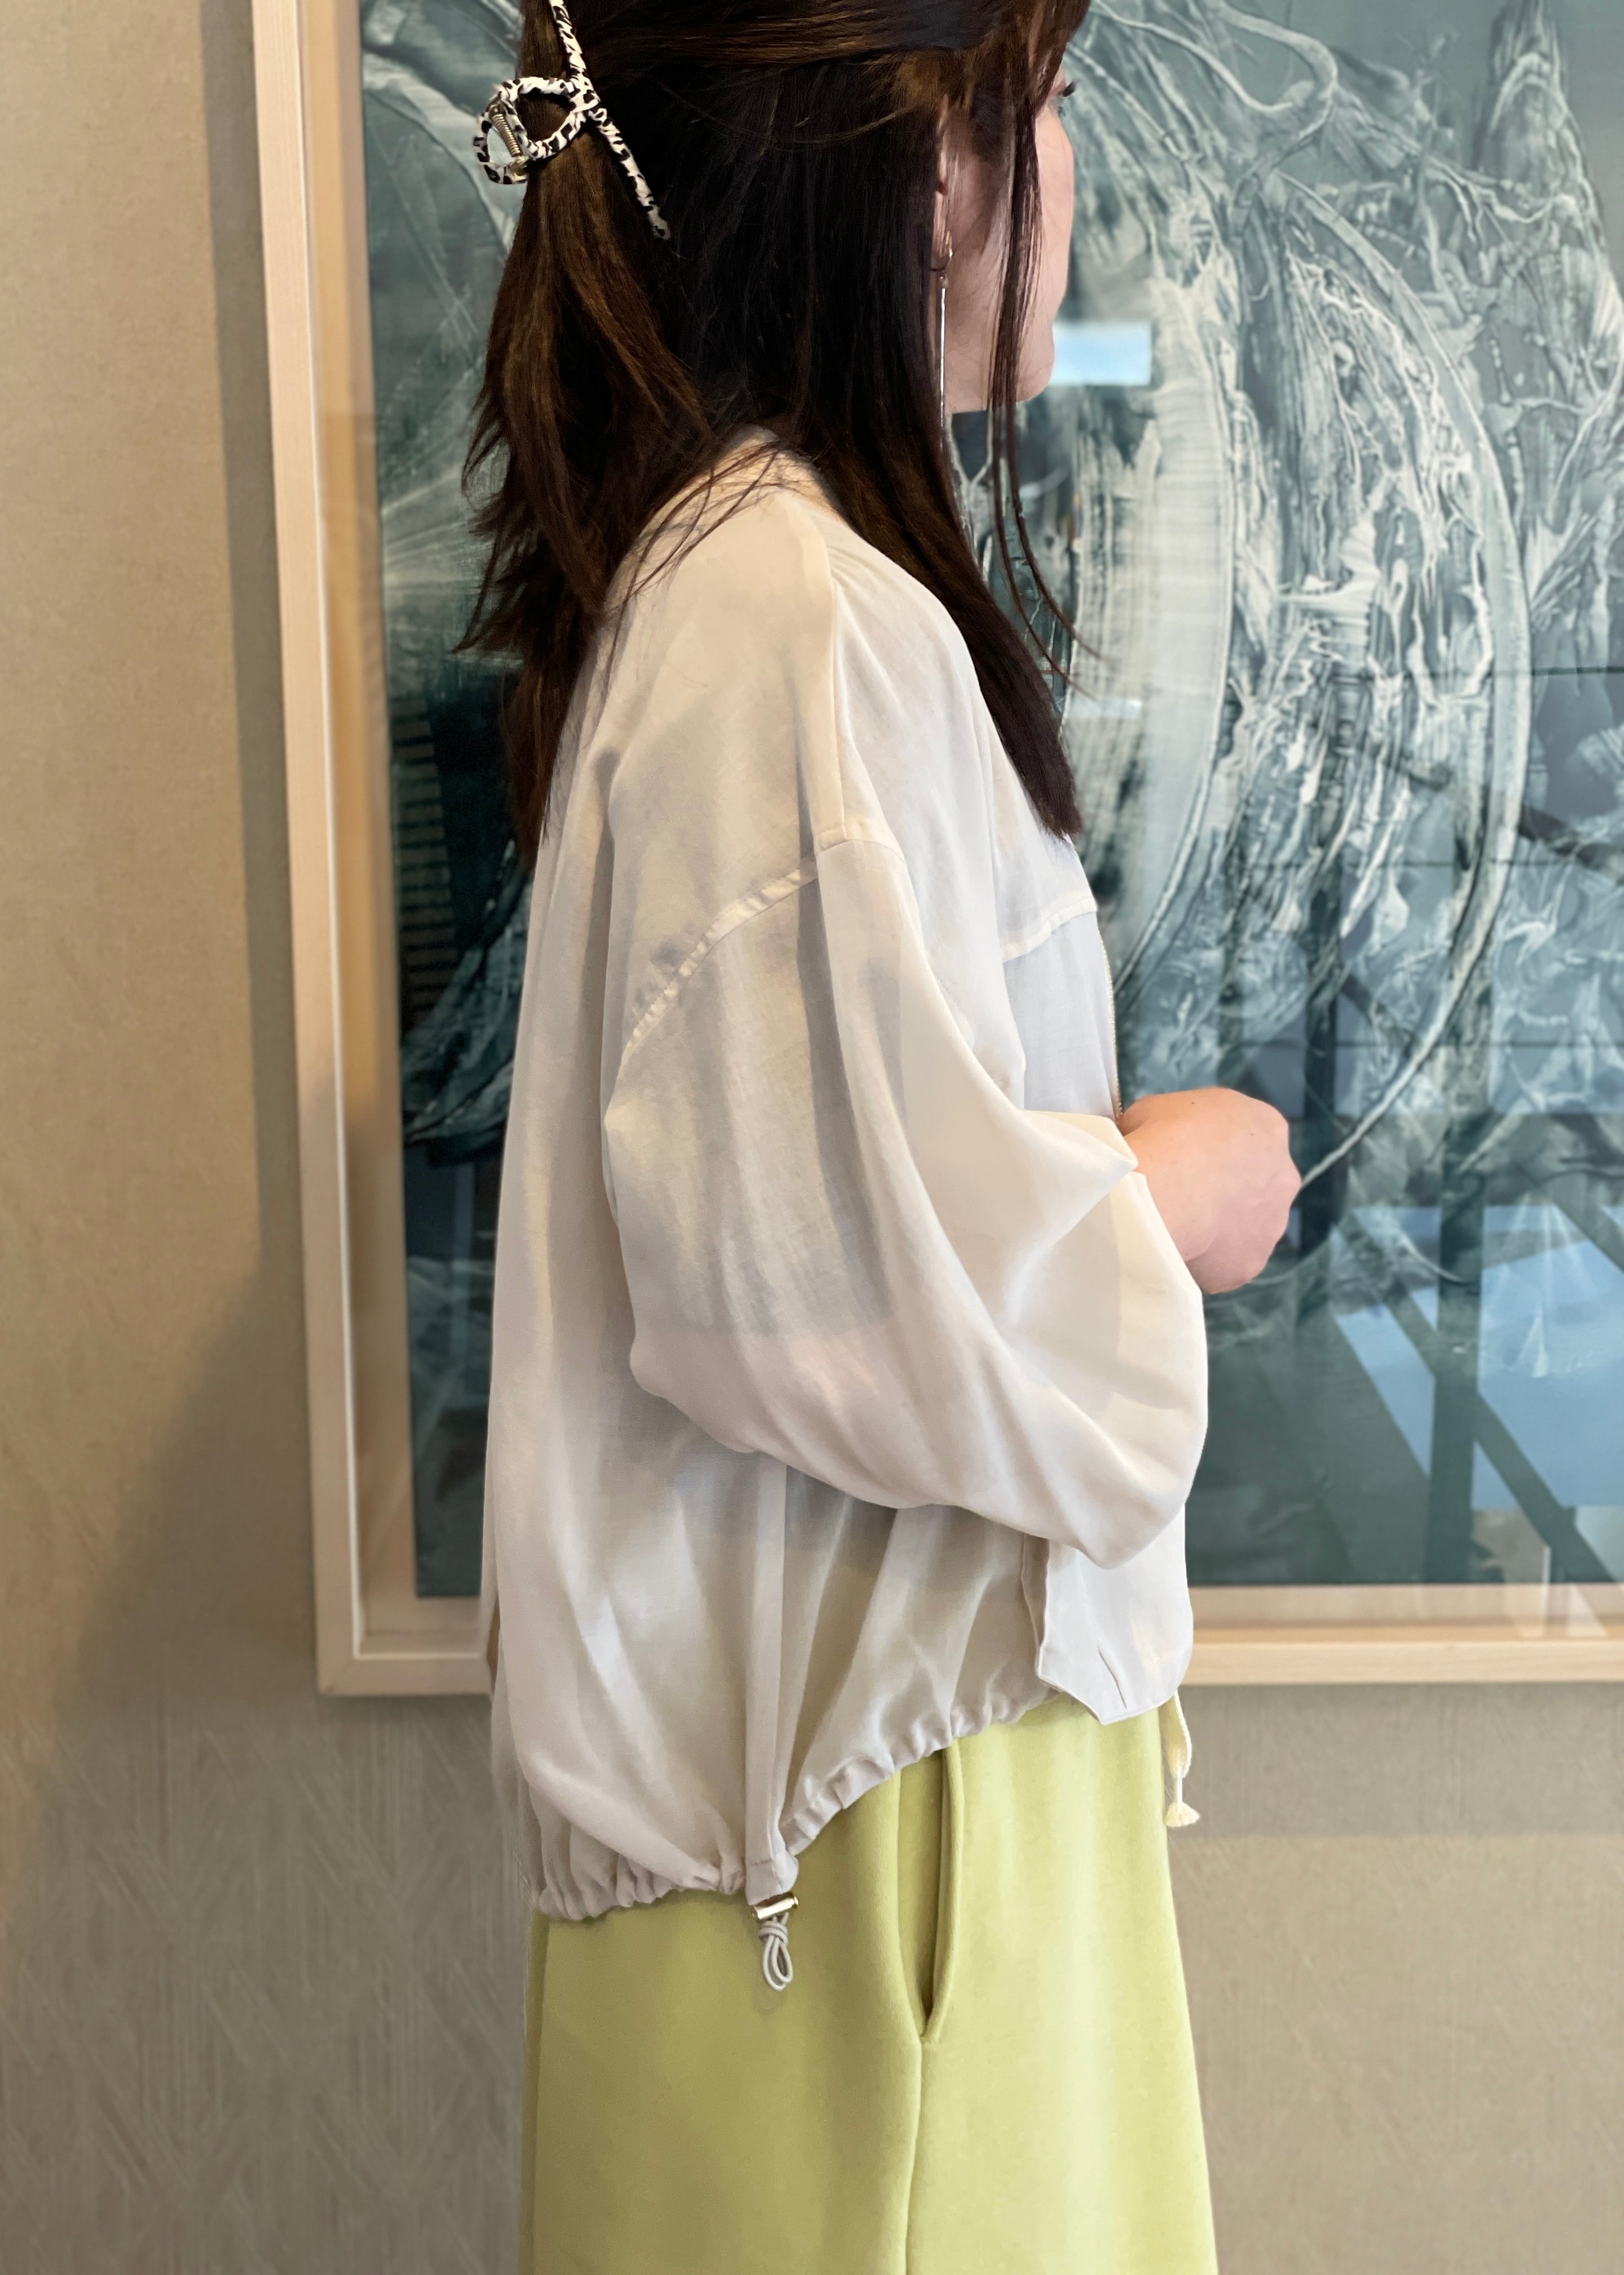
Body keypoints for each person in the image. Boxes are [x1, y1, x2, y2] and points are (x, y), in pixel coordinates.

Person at [463, 2, 1299, 2268]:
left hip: (865, 1824)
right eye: (1046, 103)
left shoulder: (762, 589)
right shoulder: (789, 617)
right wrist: (1167, 1191)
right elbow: (815, 1280)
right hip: (875, 1860)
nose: (1067, 169)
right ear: (931, 168)